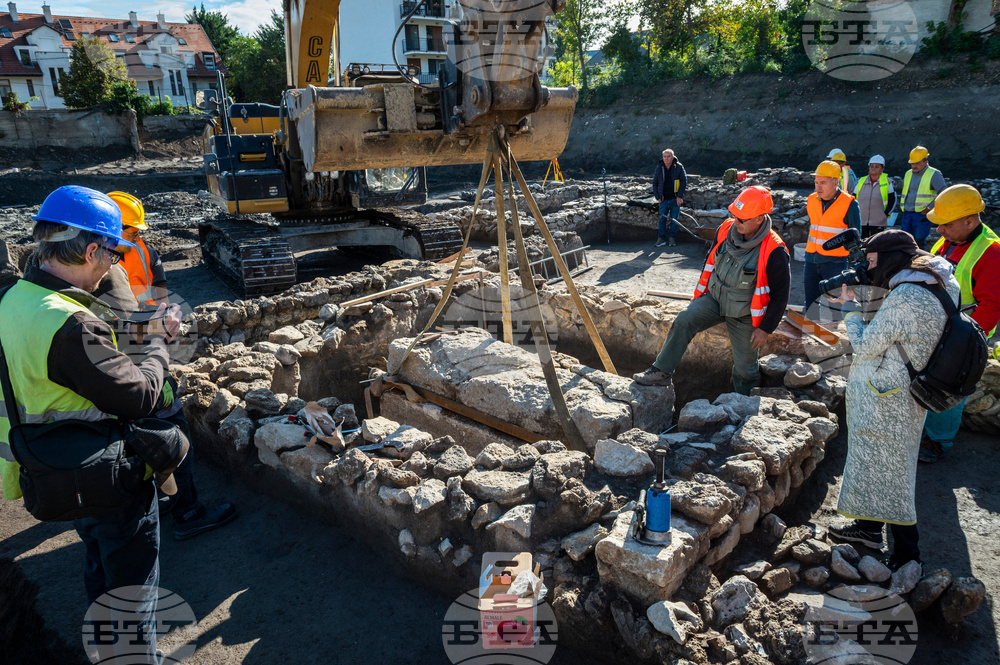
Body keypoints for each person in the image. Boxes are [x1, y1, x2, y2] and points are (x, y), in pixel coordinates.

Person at [0, 185, 183, 662]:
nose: (116, 265)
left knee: (99, 559)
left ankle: (104, 647)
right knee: (132, 589)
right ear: (89, 249)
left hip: (55, 467)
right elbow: (140, 395)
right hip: (102, 472)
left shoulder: (15, 300)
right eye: (114, 253)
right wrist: (160, 343)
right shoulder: (69, 324)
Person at [106, 191, 238, 538]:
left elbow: (158, 293)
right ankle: (188, 513)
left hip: (140, 352)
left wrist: (161, 319)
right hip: (137, 359)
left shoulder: (139, 252)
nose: (138, 238)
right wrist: (155, 330)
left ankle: (160, 501)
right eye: (132, 232)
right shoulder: (101, 266)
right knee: (169, 433)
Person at [829, 229, 960, 569]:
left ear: (889, 260)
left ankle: (906, 556)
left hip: (890, 396)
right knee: (881, 463)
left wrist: (850, 310)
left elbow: (867, 345)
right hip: (910, 387)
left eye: (873, 263)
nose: (870, 271)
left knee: (894, 475)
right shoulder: (938, 279)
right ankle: (868, 530)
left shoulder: (906, 297)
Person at [633, 186, 790, 395]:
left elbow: (781, 294)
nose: (736, 222)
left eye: (742, 219)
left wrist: (766, 328)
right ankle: (661, 372)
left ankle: (743, 402)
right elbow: (710, 263)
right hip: (715, 299)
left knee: (745, 368)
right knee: (684, 320)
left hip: (745, 313)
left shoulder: (774, 250)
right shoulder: (725, 230)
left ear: (759, 219)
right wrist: (699, 299)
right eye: (735, 216)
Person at [919, 184, 1000, 463]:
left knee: (950, 385)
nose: (938, 231)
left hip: (964, 336)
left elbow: (992, 305)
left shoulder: (991, 253)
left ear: (970, 221)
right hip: (939, 328)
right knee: (929, 379)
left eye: (945, 224)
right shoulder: (949, 240)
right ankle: (926, 430)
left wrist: (965, 339)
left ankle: (937, 441)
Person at [803, 160, 862, 320]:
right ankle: (810, 338)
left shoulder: (850, 204)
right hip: (811, 259)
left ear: (836, 182)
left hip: (835, 263)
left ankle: (836, 338)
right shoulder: (811, 200)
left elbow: (856, 237)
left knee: (835, 307)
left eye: (823, 182)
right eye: (816, 182)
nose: (818, 186)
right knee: (811, 305)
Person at [108, 191, 168, 310]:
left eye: (138, 233)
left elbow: (162, 296)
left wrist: (164, 312)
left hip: (144, 321)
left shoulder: (147, 254)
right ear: (114, 229)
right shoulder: (88, 259)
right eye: (133, 233)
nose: (137, 238)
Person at [899, 146, 946, 250]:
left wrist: (929, 208)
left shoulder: (934, 174)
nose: (914, 166)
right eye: (912, 163)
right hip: (907, 213)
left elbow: (943, 193)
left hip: (921, 214)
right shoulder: (908, 174)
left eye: (917, 163)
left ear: (925, 162)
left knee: (918, 242)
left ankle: (918, 263)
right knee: (904, 241)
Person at [855, 155, 897, 238]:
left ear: (882, 169)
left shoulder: (888, 182)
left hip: (878, 221)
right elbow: (853, 197)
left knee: (876, 244)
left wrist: (886, 214)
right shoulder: (861, 181)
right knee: (862, 244)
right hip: (861, 220)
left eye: (877, 167)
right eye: (871, 166)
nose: (873, 168)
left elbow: (892, 199)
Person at [652, 149, 687, 248]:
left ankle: (672, 238)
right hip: (663, 199)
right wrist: (657, 197)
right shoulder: (659, 167)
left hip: (675, 199)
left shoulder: (678, 167)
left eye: (668, 156)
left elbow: (683, 181)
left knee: (674, 219)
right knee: (662, 220)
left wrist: (679, 196)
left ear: (672, 157)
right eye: (664, 157)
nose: (666, 159)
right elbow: (654, 183)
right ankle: (661, 239)